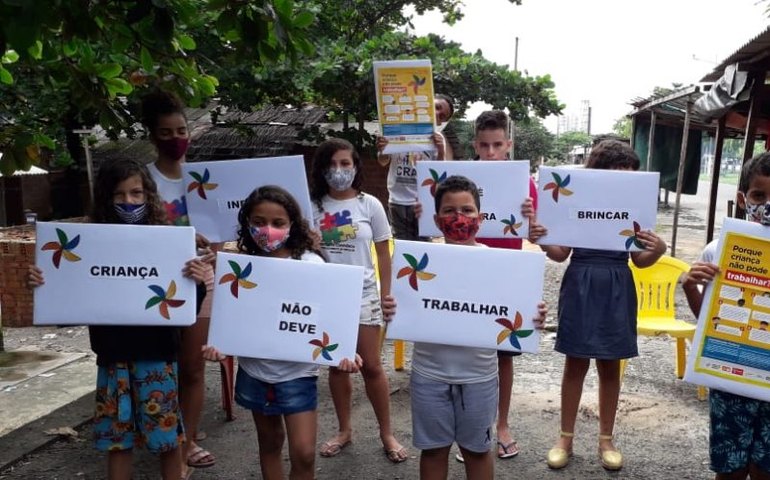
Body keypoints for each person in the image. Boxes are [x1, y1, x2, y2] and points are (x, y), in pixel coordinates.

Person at [28, 158, 208, 480]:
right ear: (105, 199)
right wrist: (45, 284)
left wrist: (197, 282)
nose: (129, 202)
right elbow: (68, 301)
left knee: (167, 441)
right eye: (119, 195)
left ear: (148, 195)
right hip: (113, 359)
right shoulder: (90, 245)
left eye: (137, 193)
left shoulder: (168, 242)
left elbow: (186, 310)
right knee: (117, 442)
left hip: (158, 358)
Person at [201, 185, 367, 480]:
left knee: (304, 453)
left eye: (278, 223)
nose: (268, 230)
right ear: (246, 224)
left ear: (293, 224)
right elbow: (234, 319)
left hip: (298, 375)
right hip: (254, 373)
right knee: (270, 443)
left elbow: (331, 312)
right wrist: (220, 345)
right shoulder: (239, 268)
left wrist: (345, 351)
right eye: (259, 222)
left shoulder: (311, 264)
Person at [530, 140, 667, 471]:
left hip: (618, 285)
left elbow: (641, 260)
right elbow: (561, 254)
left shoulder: (634, 209)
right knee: (575, 362)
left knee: (609, 365)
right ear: (598, 175)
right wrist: (542, 237)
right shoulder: (578, 201)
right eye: (617, 176)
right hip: (579, 282)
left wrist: (659, 248)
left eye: (629, 178)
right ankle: (565, 437)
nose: (623, 184)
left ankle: (607, 439)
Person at [408, 175, 547, 480]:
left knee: (477, 451)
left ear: (481, 218)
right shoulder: (419, 263)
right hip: (429, 375)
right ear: (435, 219)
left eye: (468, 210)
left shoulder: (496, 263)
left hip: (480, 377)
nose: (459, 218)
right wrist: (394, 308)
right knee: (433, 450)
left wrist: (534, 316)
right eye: (449, 210)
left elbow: (517, 309)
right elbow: (406, 309)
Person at [309, 139, 407, 462]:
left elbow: (384, 251)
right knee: (337, 367)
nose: (339, 171)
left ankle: (387, 433)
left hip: (365, 294)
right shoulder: (311, 207)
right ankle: (344, 430)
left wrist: (386, 293)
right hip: (326, 296)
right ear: (322, 169)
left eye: (345, 164)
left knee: (373, 368)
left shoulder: (370, 205)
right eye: (332, 164)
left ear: (355, 166)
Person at [681, 152, 770, 480]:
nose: (767, 205)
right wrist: (691, 287)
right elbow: (709, 322)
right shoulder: (718, 250)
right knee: (730, 469)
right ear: (743, 199)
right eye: (760, 195)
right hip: (732, 381)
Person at [140, 90, 216, 471]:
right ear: (152, 135)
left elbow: (222, 231)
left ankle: (185, 444)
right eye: (166, 132)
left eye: (181, 130)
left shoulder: (206, 180)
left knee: (193, 368)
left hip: (203, 281)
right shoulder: (144, 181)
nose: (176, 138)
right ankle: (165, 438)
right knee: (162, 366)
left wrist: (212, 248)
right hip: (157, 287)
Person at [465, 110, 538, 462]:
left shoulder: (524, 182)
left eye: (498, 145)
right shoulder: (461, 178)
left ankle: (503, 424)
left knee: (503, 355)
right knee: (468, 351)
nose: (491, 152)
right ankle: (470, 429)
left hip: (508, 275)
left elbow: (539, 229)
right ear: (475, 145)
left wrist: (530, 214)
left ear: (508, 144)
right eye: (484, 145)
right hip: (468, 271)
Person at [376, 95, 454, 241]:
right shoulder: (397, 129)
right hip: (396, 201)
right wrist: (382, 149)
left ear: (441, 122)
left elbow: (439, 175)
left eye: (442, 115)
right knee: (401, 245)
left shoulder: (438, 139)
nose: (437, 114)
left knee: (422, 245)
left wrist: (441, 150)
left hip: (421, 204)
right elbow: (383, 161)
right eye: (436, 107)